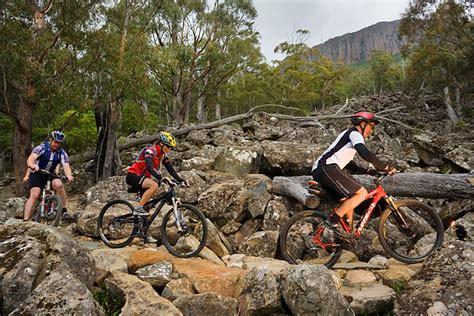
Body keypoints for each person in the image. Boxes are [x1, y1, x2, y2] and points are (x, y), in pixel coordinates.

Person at [311, 111, 397, 235]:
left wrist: (370, 170)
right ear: (362, 124)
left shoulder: (348, 136)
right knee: (362, 193)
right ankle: (332, 221)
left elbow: (351, 165)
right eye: (371, 126)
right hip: (327, 167)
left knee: (349, 201)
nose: (371, 131)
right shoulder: (355, 134)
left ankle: (347, 234)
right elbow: (364, 152)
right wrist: (384, 167)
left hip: (324, 169)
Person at [126, 131, 188, 216]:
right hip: (133, 175)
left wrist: (181, 180)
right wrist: (161, 177)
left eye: (171, 148)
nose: (169, 149)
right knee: (154, 185)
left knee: (147, 209)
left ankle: (140, 227)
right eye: (168, 146)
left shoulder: (162, 155)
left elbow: (171, 170)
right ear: (161, 143)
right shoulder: (150, 151)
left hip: (144, 178)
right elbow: (149, 167)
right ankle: (138, 209)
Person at [23, 130, 74, 221]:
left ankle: (64, 210)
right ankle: (26, 219)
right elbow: (31, 158)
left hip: (50, 173)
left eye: (59, 143)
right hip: (37, 171)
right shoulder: (41, 148)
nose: (56, 145)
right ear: (50, 140)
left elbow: (66, 166)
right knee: (35, 193)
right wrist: (32, 165)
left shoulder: (62, 153)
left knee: (58, 184)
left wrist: (69, 175)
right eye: (55, 142)